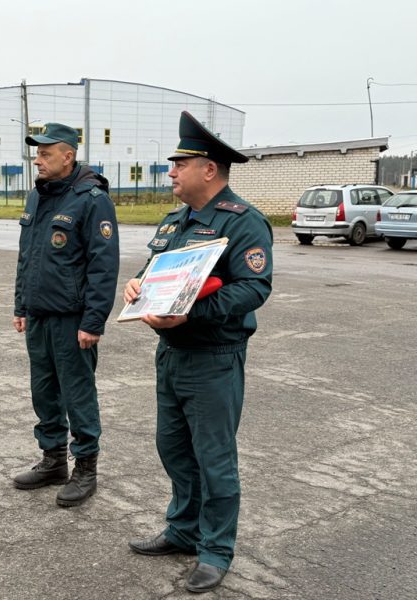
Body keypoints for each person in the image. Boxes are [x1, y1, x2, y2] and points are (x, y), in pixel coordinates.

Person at [123, 111, 273, 592]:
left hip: (213, 357)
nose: (171, 172)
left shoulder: (244, 222)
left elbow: (254, 288)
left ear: (209, 169)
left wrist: (191, 313)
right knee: (173, 448)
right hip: (171, 354)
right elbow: (154, 272)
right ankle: (184, 530)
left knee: (214, 458)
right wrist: (136, 287)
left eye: (180, 164)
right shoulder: (176, 221)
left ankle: (215, 550)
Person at [12, 122, 120, 507]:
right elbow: (27, 256)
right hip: (39, 315)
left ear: (68, 156)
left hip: (73, 320)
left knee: (77, 394)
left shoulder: (91, 200)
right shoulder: (37, 197)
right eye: (36, 153)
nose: (37, 160)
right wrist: (21, 305)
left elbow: (103, 266)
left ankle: (86, 468)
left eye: (45, 153)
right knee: (44, 392)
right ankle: (53, 460)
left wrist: (93, 321)